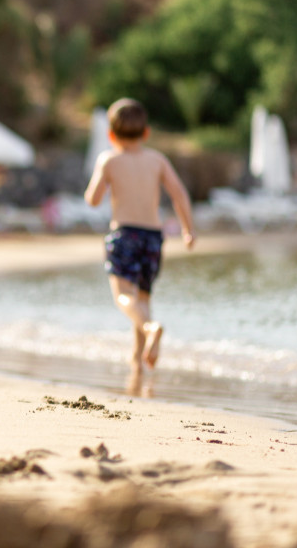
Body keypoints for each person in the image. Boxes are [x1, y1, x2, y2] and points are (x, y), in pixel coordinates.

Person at [84, 98, 195, 383]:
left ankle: (150, 329)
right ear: (146, 133)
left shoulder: (108, 159)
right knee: (142, 298)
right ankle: (137, 356)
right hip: (153, 237)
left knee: (123, 296)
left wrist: (99, 185)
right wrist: (188, 230)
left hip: (124, 234)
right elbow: (179, 194)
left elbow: (93, 200)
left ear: (111, 135)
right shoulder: (157, 160)